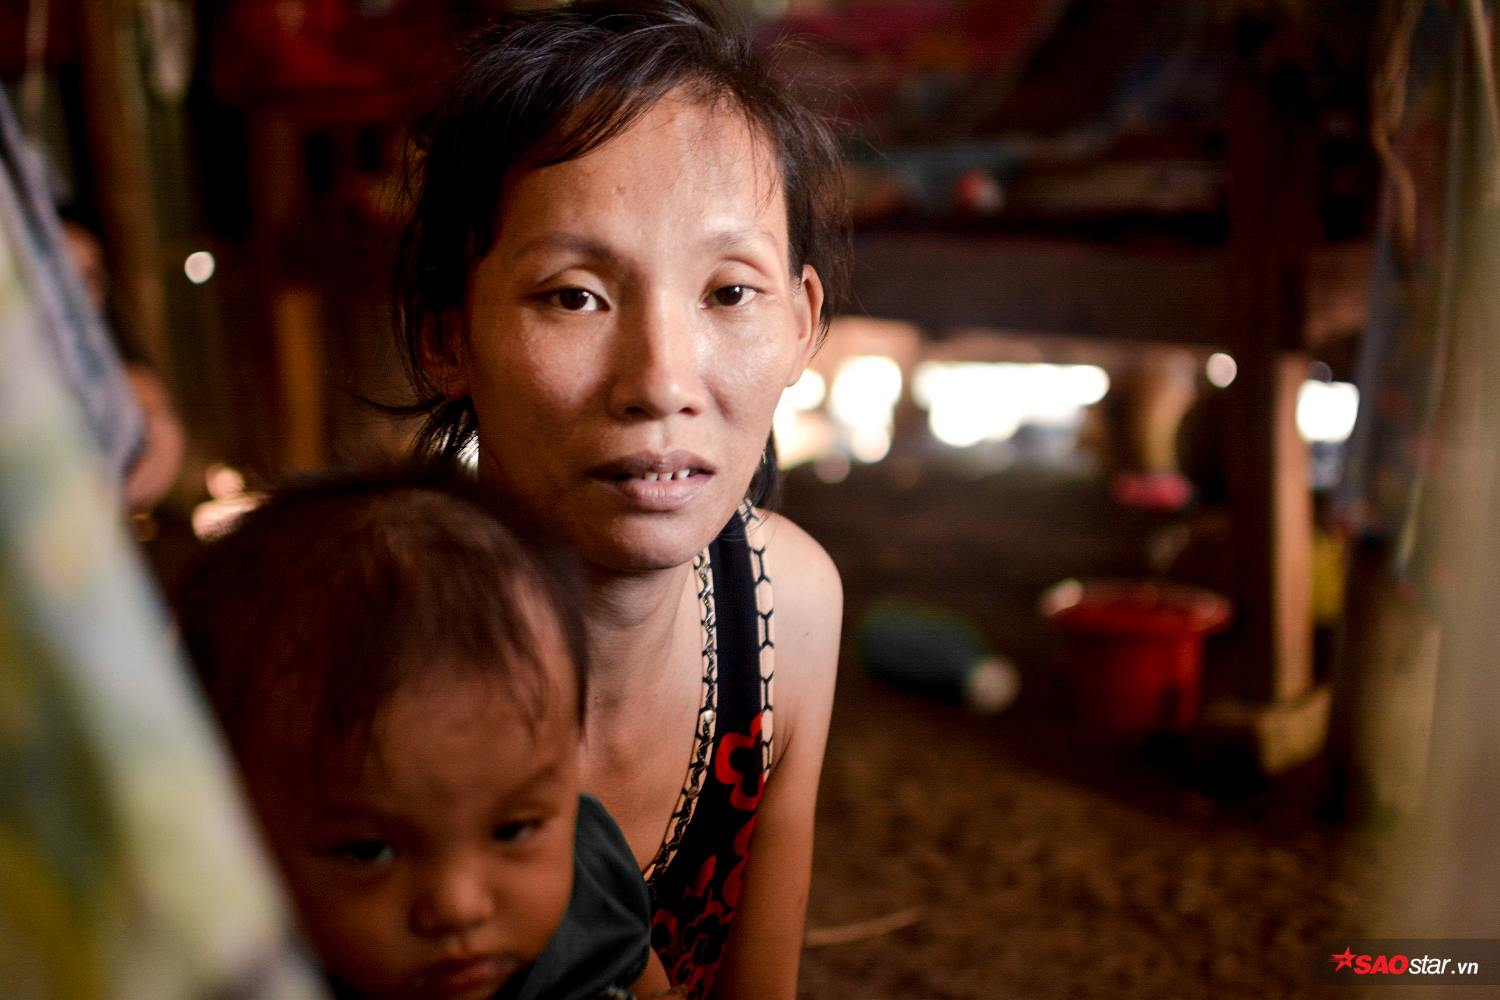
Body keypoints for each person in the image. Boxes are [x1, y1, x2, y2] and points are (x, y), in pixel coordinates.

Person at [389, 3, 849, 997]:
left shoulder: (787, 615)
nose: (661, 382)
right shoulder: (352, 654)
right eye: (574, 296)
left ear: (802, 326)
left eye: (729, 293)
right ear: (446, 336)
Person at [173, 465, 674, 1000]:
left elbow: (644, 975)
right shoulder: (239, 971)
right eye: (369, 852)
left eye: (513, 831)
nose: (459, 906)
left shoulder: (588, 863)